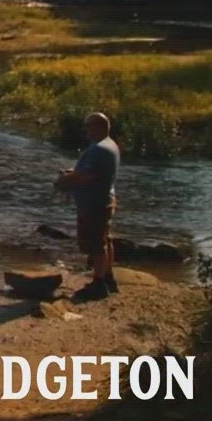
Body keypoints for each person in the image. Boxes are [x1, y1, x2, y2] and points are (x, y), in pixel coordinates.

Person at [57, 111, 121, 298]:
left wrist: (65, 178)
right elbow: (94, 171)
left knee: (95, 245)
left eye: (89, 126)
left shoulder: (98, 149)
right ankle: (108, 278)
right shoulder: (111, 145)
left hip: (94, 203)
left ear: (98, 127)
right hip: (106, 199)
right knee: (106, 240)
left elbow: (87, 176)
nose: (86, 130)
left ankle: (99, 284)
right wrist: (74, 172)